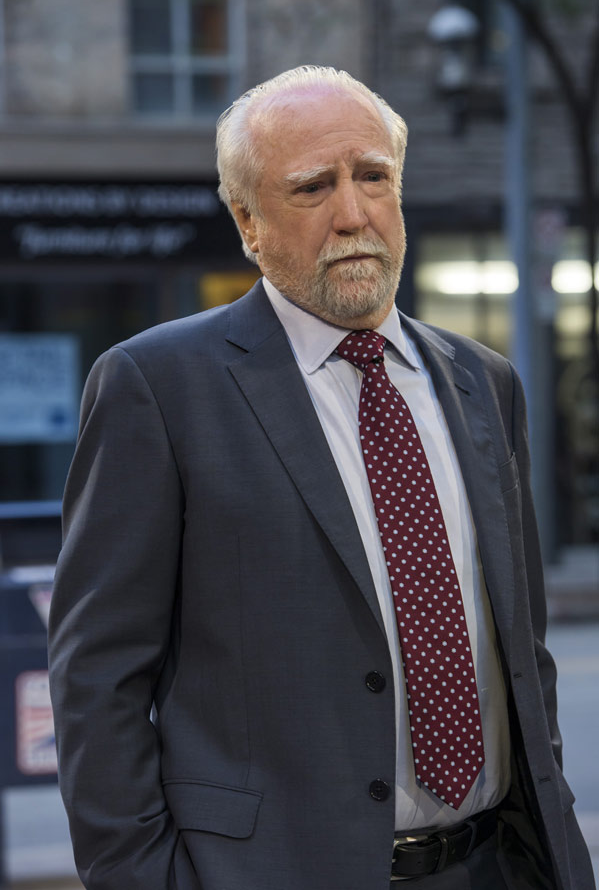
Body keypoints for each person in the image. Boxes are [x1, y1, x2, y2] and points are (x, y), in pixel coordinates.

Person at [48, 66, 594, 890]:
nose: (353, 214)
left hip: (496, 867)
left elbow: (522, 653)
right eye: (312, 188)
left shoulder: (483, 382)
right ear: (248, 221)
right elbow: (98, 678)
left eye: (372, 176)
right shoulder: (156, 387)